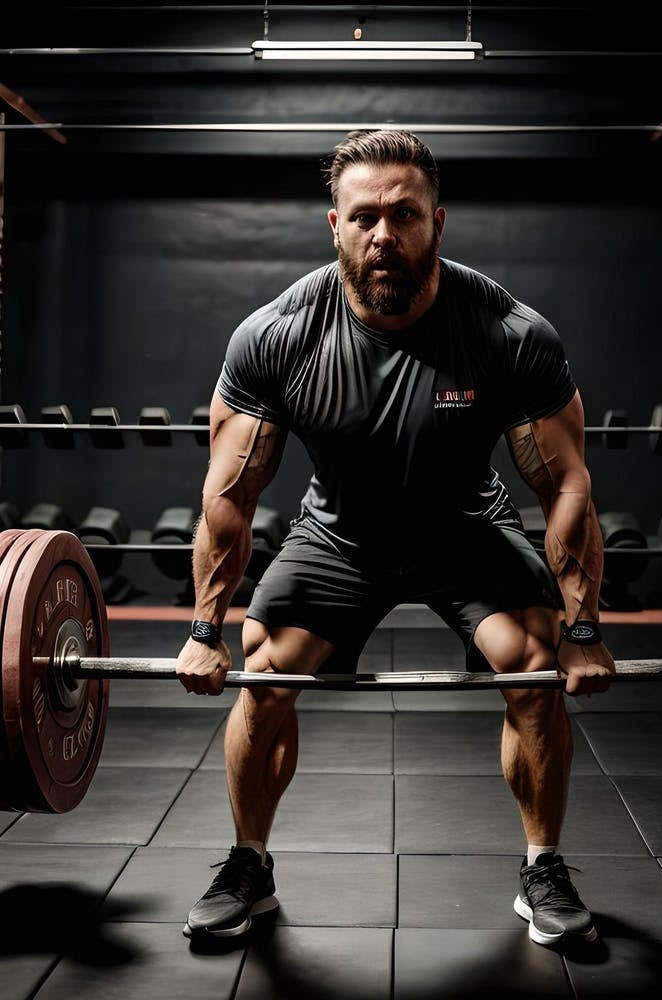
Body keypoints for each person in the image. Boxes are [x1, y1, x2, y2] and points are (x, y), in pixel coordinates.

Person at [176, 129, 616, 947]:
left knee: (537, 664)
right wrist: (205, 631)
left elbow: (564, 486)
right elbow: (229, 496)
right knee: (263, 669)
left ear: (437, 224)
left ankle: (543, 866)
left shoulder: (508, 333)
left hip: (466, 527)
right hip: (339, 534)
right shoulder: (277, 336)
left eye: (404, 215)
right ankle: (248, 864)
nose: (385, 234)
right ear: (333, 226)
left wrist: (585, 633)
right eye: (366, 216)